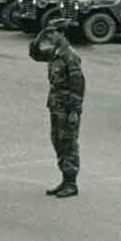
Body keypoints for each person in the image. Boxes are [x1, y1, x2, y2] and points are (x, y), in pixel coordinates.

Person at [29, 18, 85, 198]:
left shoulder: (69, 55)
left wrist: (75, 111)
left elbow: (78, 84)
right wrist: (40, 36)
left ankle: (71, 183)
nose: (50, 36)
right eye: (49, 33)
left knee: (68, 143)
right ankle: (65, 179)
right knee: (58, 141)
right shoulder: (55, 52)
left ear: (61, 33)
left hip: (67, 107)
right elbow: (35, 54)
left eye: (52, 33)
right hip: (56, 105)